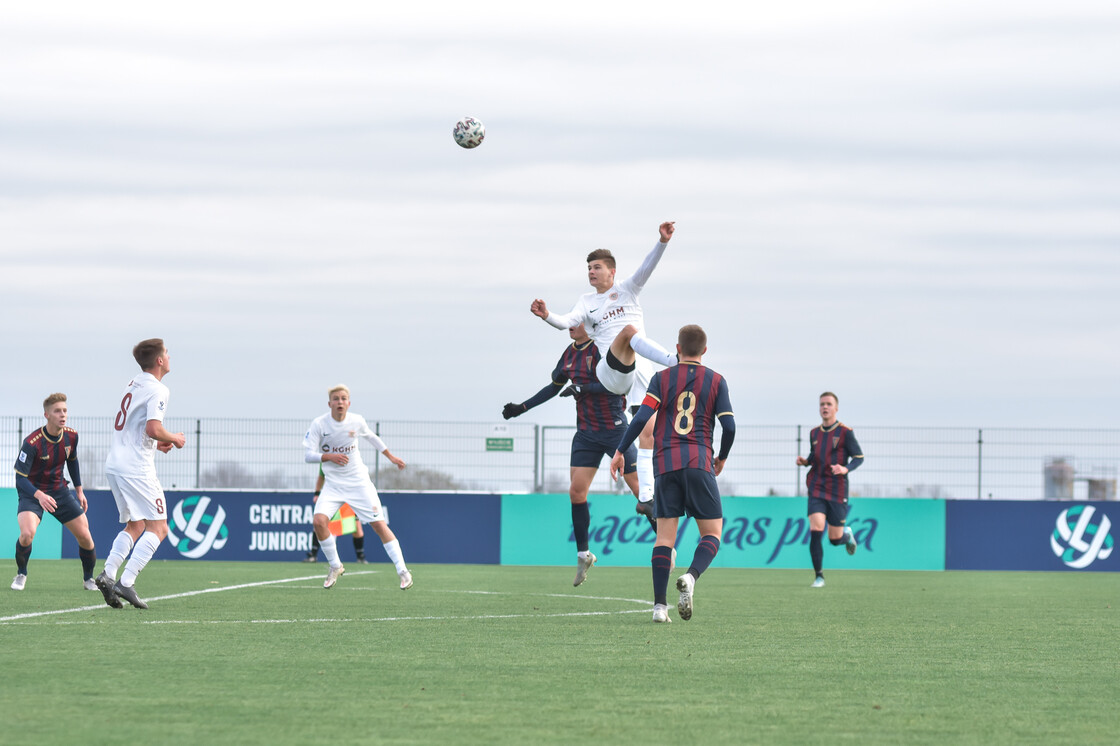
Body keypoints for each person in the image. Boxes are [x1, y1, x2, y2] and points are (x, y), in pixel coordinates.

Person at [530, 221, 678, 514]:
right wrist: (547, 315)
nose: (591, 272)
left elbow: (648, 267)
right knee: (628, 333)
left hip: (639, 372)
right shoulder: (586, 302)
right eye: (589, 268)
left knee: (648, 430)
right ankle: (675, 361)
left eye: (596, 267)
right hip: (610, 373)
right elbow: (566, 321)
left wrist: (662, 242)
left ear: (612, 271)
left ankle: (647, 497)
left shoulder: (628, 289)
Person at [502, 323, 652, 587]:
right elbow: (554, 387)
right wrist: (522, 407)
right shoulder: (569, 354)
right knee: (576, 492)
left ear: (591, 326)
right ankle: (584, 554)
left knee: (640, 490)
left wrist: (583, 389)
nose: (571, 325)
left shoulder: (604, 349)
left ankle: (665, 545)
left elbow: (617, 386)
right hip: (585, 434)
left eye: (578, 320)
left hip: (615, 430)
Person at [610, 324, 735, 623]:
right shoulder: (716, 381)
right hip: (699, 462)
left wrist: (619, 451)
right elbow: (729, 427)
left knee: (664, 538)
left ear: (677, 349)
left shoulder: (661, 378)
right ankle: (691, 577)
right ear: (704, 350)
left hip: (665, 466)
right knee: (712, 533)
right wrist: (722, 458)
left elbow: (641, 417)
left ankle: (658, 607)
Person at [96, 339, 186, 610]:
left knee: (135, 525)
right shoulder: (159, 389)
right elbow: (152, 428)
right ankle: (127, 581)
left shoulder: (133, 383)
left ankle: (108, 575)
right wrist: (174, 438)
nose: (170, 357)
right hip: (136, 468)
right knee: (158, 528)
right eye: (167, 353)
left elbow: (135, 428)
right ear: (159, 360)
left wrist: (157, 443)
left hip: (116, 463)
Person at [302, 384, 412, 590]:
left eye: (343, 398)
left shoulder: (357, 421)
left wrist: (391, 457)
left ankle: (403, 571)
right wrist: (328, 456)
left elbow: (372, 437)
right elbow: (308, 455)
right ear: (330, 403)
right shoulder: (319, 424)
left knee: (378, 525)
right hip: (333, 485)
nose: (340, 402)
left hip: (358, 483)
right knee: (319, 522)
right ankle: (335, 566)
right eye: (336, 399)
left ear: (348, 403)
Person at [11, 393, 98, 592]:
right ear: (47, 415)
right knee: (26, 534)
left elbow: (72, 461)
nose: (62, 415)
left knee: (85, 536)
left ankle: (88, 580)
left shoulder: (71, 436)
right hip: (32, 493)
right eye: (57, 411)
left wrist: (79, 490)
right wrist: (39, 496)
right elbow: (20, 479)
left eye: (65, 411)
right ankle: (21, 573)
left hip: (59, 491)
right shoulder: (32, 442)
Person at [796, 391, 864, 588]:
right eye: (822, 404)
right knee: (816, 529)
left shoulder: (845, 432)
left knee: (835, 539)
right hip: (816, 487)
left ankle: (847, 536)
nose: (824, 407)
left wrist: (845, 468)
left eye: (828, 404)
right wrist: (805, 461)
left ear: (836, 408)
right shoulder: (814, 433)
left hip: (837, 490)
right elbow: (815, 456)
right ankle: (819, 576)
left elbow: (859, 458)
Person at [303, 466, 367, 563]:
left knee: (356, 526)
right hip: (331, 496)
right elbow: (321, 476)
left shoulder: (350, 458)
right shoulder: (325, 459)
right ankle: (313, 554)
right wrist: (317, 493)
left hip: (350, 497)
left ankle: (360, 557)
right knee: (319, 522)